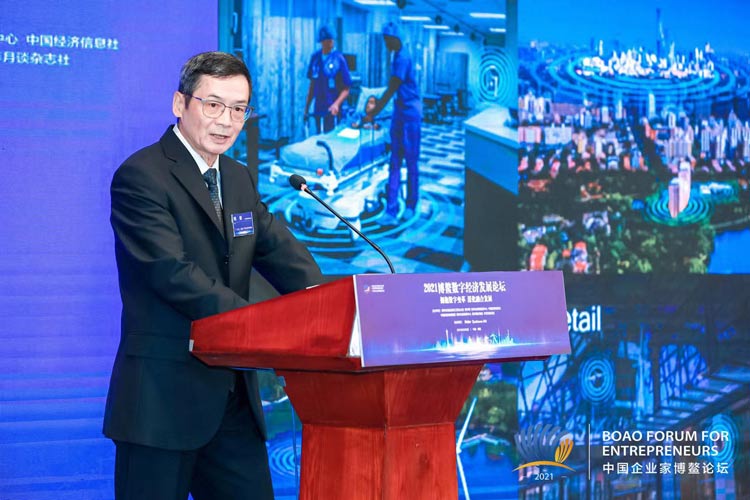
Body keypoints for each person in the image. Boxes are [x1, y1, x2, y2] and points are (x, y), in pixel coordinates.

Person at [103, 51, 323, 500]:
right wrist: (260, 325)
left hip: (232, 400)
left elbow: (278, 249)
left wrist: (326, 299)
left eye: (239, 109)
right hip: (161, 403)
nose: (226, 120)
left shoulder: (237, 177)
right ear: (180, 104)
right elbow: (172, 272)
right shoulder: (141, 176)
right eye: (214, 104)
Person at [365, 22, 422, 223]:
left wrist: (374, 112)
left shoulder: (403, 57)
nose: (386, 44)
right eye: (384, 40)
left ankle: (411, 205)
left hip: (411, 115)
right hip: (399, 113)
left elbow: (391, 89)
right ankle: (391, 210)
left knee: (411, 161)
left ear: (396, 39)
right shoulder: (396, 56)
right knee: (395, 161)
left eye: (388, 40)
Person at [304, 25, 352, 134]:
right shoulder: (315, 58)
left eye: (332, 39)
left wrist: (336, 104)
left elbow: (346, 89)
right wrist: (306, 108)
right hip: (319, 107)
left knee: (333, 137)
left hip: (334, 108)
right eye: (327, 40)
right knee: (320, 136)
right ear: (321, 41)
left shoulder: (338, 59)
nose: (330, 42)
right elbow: (312, 85)